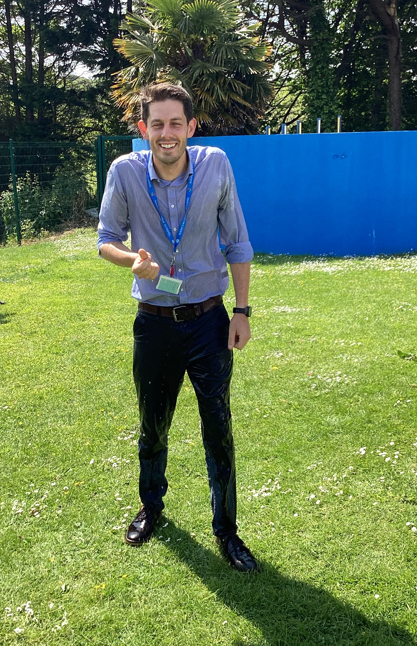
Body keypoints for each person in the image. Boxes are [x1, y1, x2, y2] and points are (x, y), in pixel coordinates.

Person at [97, 83, 258, 572]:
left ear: (190, 127)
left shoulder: (216, 165)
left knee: (219, 429)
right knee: (153, 426)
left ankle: (226, 531)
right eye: (157, 124)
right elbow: (105, 239)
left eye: (175, 124)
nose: (166, 134)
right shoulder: (125, 171)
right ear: (143, 128)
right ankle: (152, 507)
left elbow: (237, 241)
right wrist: (132, 261)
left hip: (209, 321)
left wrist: (242, 311)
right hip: (155, 324)